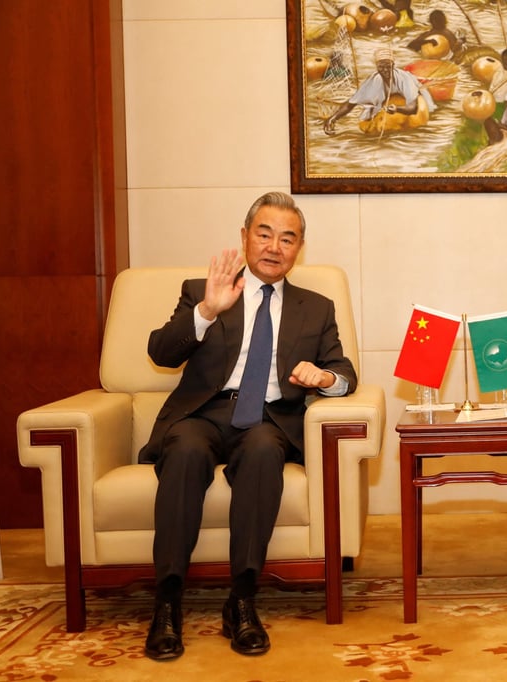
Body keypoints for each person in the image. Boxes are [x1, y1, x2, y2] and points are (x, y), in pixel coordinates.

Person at [139, 191, 358, 660]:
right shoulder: (203, 290)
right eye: (264, 234)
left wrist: (326, 378)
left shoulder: (315, 308)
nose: (274, 246)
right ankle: (167, 603)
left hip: (268, 418)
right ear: (244, 238)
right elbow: (161, 352)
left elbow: (344, 371)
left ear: (298, 248)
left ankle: (241, 599)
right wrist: (206, 313)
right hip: (203, 414)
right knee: (184, 451)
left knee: (262, 451)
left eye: (287, 238)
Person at [323, 49, 435, 136]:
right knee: (372, 128)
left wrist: (397, 109)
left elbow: (413, 107)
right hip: (391, 107)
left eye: (388, 66)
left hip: (412, 107)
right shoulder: (374, 80)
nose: (385, 70)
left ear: (393, 65)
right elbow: (351, 103)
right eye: (381, 67)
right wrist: (333, 118)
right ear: (377, 67)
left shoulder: (404, 78)